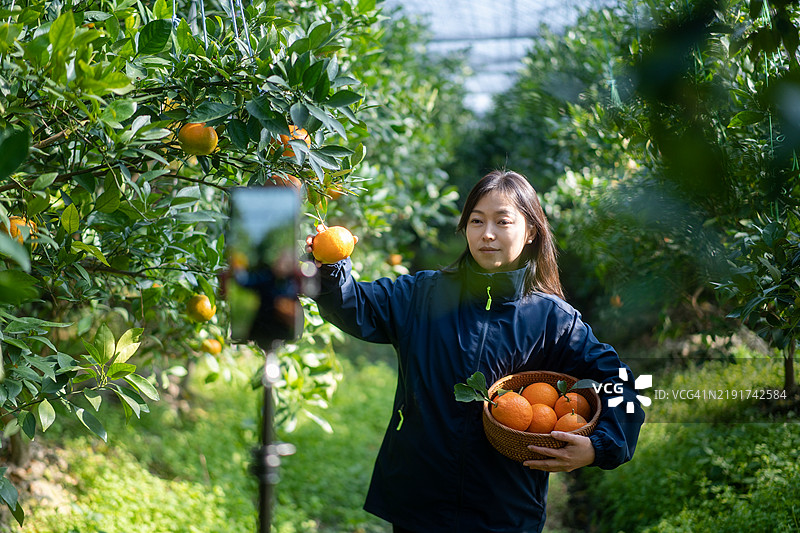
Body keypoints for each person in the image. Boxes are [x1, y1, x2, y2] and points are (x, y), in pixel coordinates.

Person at [305, 170, 645, 533]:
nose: (487, 234)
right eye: (476, 221)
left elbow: (621, 381)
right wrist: (330, 267)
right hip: (420, 502)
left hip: (505, 509)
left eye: (503, 222)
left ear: (531, 231)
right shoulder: (423, 295)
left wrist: (600, 446)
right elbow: (354, 304)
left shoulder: (552, 320)